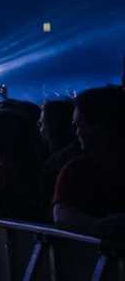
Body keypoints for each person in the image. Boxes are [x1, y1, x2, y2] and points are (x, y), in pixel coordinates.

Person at [53, 87, 125, 236]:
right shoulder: (75, 169)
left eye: (80, 125)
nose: (77, 132)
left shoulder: (76, 170)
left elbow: (62, 215)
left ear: (101, 124)